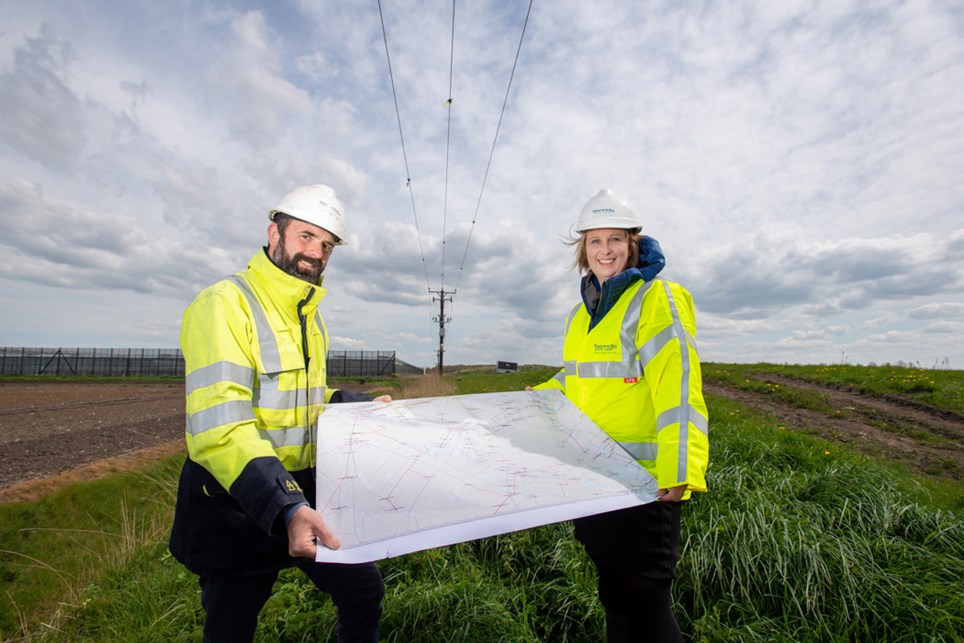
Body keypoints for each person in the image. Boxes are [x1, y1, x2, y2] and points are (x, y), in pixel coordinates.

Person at [169, 184, 390, 642]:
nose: (317, 252)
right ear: (275, 233)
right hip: (234, 505)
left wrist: (361, 408)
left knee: (363, 592)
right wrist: (286, 506)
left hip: (299, 497)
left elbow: (306, 399)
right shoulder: (225, 304)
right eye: (306, 236)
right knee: (231, 629)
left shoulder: (310, 314)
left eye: (327, 244)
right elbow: (220, 426)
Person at [531, 189, 709, 642]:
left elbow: (679, 383)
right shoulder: (581, 313)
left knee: (646, 603)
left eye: (615, 239)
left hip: (646, 483)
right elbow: (579, 378)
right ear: (582, 249)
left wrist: (680, 467)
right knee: (614, 595)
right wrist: (538, 395)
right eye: (594, 241)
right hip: (595, 480)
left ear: (633, 244)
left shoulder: (655, 298)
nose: (604, 250)